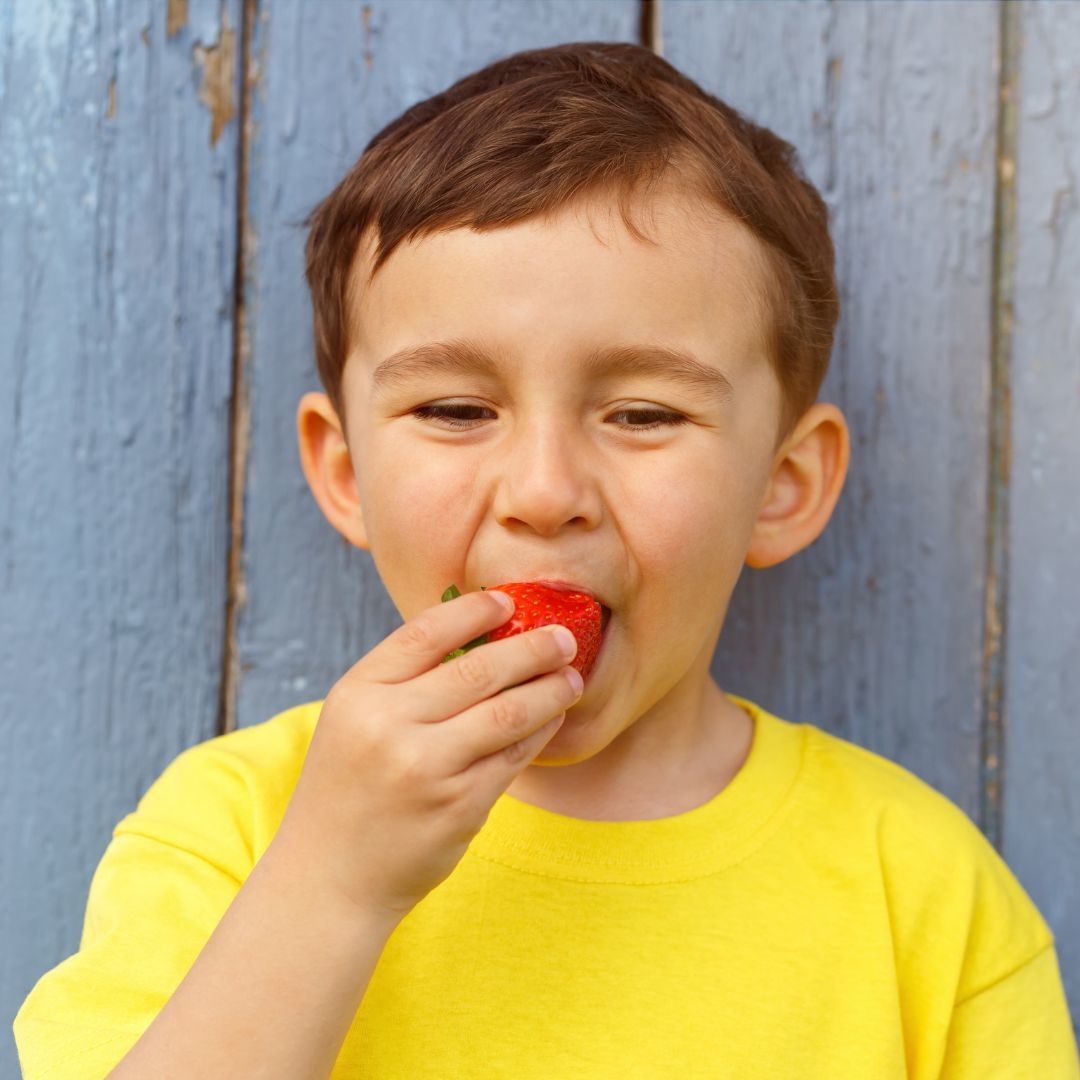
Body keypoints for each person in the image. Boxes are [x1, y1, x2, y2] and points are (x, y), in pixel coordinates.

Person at [14, 40, 1079, 1078]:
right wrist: (333, 884)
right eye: (457, 408)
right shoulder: (240, 832)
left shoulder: (925, 898)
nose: (542, 492)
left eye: (645, 413)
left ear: (783, 486)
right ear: (345, 473)